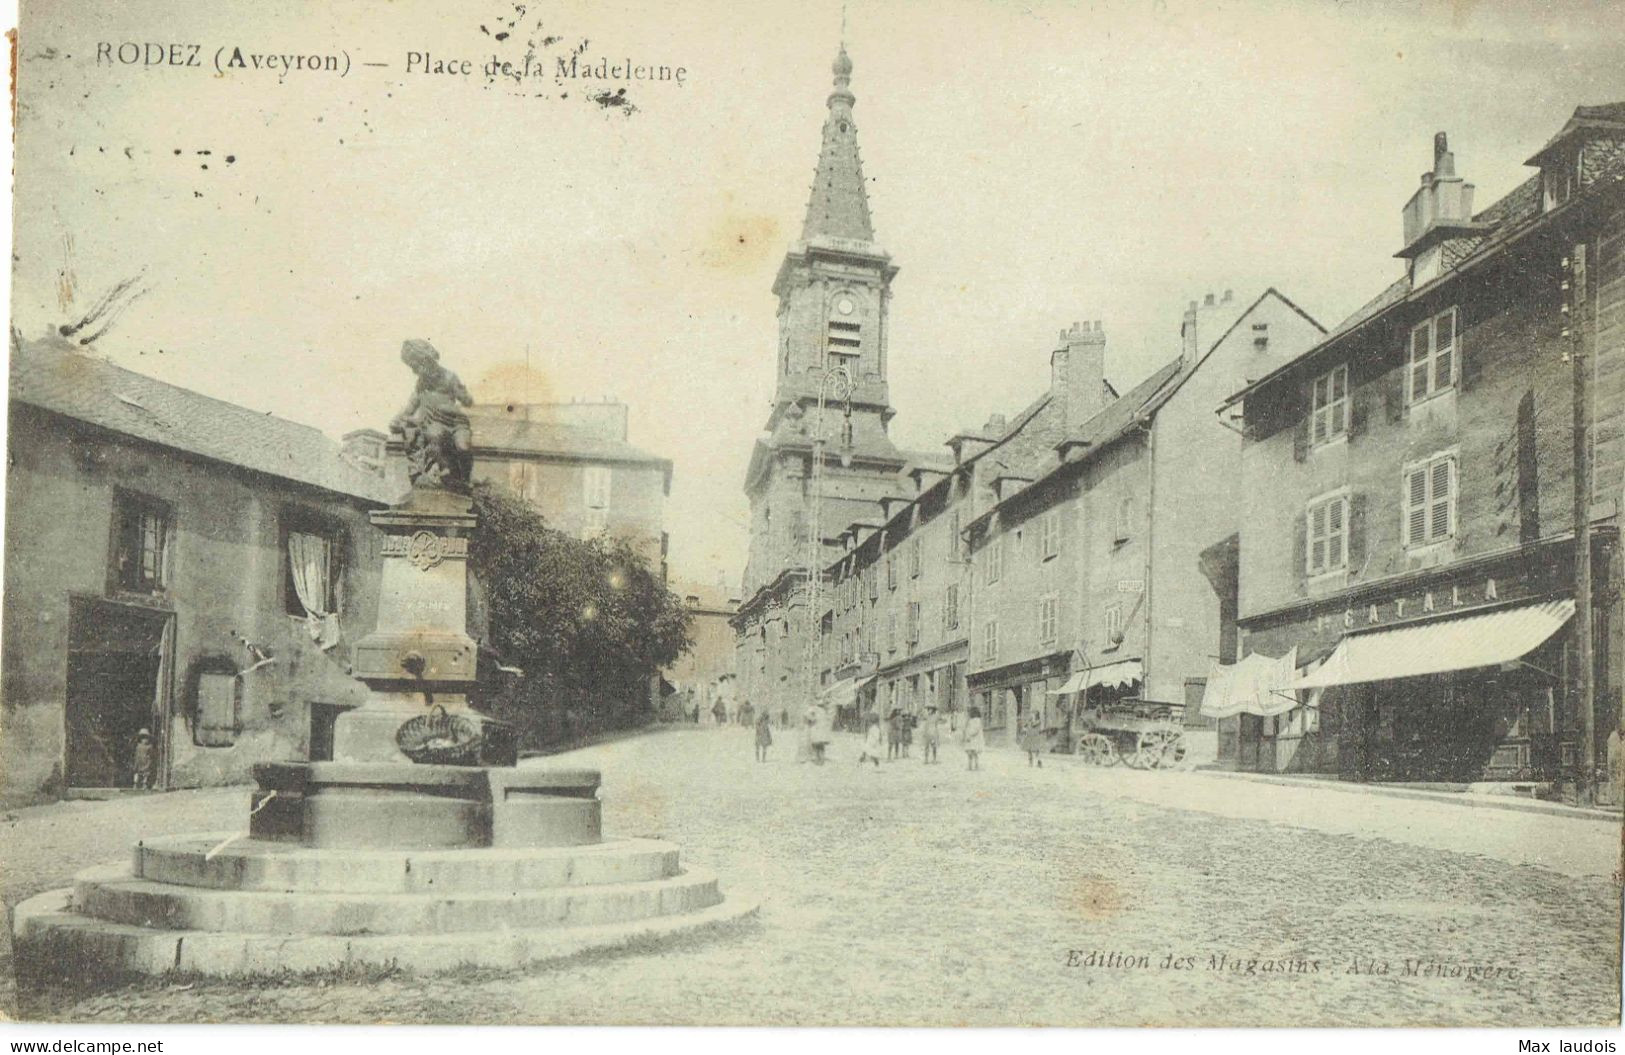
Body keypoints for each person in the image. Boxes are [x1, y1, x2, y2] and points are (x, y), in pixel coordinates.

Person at [961, 706, 985, 771]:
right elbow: (966, 728)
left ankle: (976, 766)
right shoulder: (970, 720)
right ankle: (970, 766)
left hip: (975, 739)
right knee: (970, 754)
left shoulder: (977, 720)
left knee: (975, 753)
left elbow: (976, 729)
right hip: (970, 739)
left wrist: (969, 734)